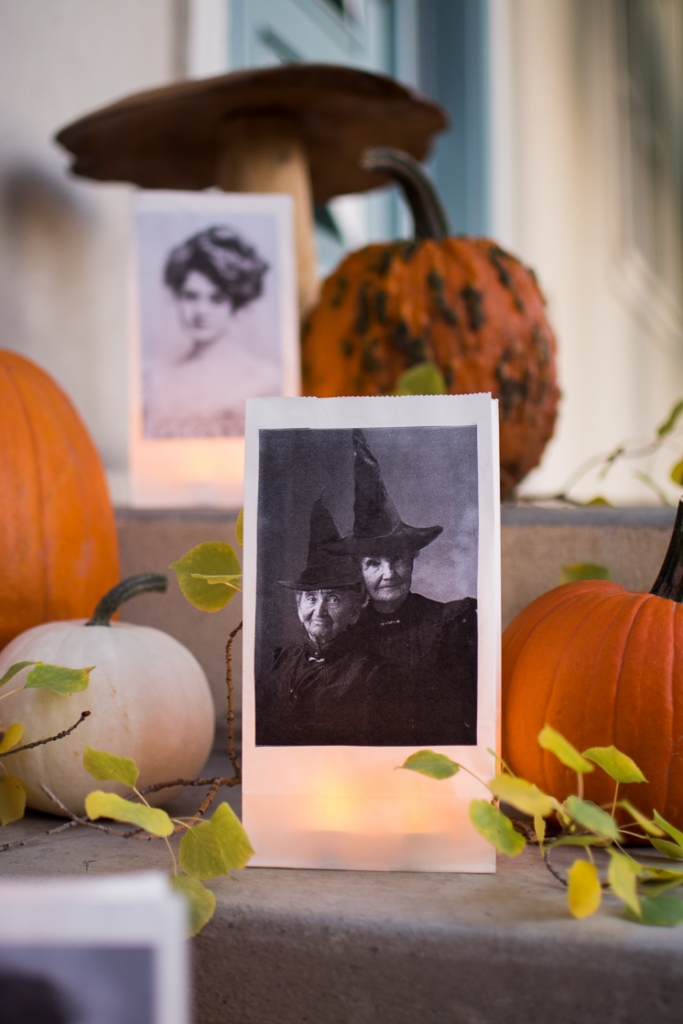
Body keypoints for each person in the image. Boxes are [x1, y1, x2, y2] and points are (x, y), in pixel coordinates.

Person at [338, 429, 478, 747]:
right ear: (359, 569)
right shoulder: (347, 638)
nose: (388, 574)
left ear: (413, 558)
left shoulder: (450, 625)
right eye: (373, 563)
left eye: (397, 559)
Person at [256, 497, 380, 746]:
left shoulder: (371, 673)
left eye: (333, 599)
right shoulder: (279, 662)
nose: (319, 610)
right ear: (298, 605)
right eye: (311, 598)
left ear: (354, 613)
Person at [144, 225, 280, 438]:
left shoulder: (267, 381)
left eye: (216, 299)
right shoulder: (156, 379)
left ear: (236, 305)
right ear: (177, 296)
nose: (201, 311)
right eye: (191, 296)